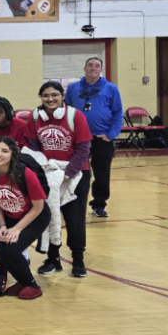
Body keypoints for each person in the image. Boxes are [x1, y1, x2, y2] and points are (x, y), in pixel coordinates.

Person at [28, 79, 91, 277]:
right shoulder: (35, 116)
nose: (50, 99)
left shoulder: (75, 115)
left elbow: (83, 149)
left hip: (75, 174)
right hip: (48, 173)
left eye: (54, 95)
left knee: (74, 218)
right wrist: (43, 171)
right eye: (45, 95)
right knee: (49, 217)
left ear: (62, 97)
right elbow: (31, 146)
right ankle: (53, 259)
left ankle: (78, 260)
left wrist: (68, 174)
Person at [0, 136, 51, 298]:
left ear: (13, 154)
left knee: (13, 249)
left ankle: (33, 285)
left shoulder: (25, 173)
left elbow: (38, 207)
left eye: (4, 151)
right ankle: (22, 281)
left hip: (35, 216)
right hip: (10, 216)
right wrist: (3, 226)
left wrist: (17, 229)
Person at [65, 57, 122, 219]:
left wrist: (111, 135)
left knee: (102, 173)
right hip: (78, 138)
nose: (93, 68)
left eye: (97, 66)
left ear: (101, 70)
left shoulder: (111, 88)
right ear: (84, 68)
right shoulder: (73, 88)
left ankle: (99, 204)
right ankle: (70, 202)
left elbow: (118, 112)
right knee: (74, 172)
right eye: (90, 65)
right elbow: (67, 110)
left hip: (101, 138)